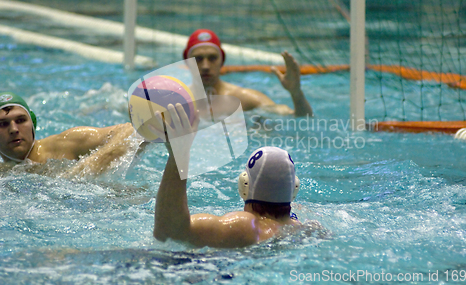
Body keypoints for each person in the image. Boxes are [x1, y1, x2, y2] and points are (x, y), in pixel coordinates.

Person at [152, 103, 300, 248]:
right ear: (294, 189)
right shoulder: (304, 228)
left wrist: (178, 156)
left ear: (244, 184)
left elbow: (169, 234)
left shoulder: (246, 226)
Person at [0, 91, 139, 176]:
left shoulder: (64, 145)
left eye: (21, 120)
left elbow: (129, 131)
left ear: (33, 124)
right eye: (3, 124)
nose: (14, 129)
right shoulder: (4, 174)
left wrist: (88, 168)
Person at [183, 29, 313, 117]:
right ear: (187, 62)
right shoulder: (177, 101)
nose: (205, 66)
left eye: (212, 58)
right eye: (198, 59)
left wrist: (296, 93)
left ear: (222, 61)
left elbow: (300, 118)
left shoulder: (244, 99)